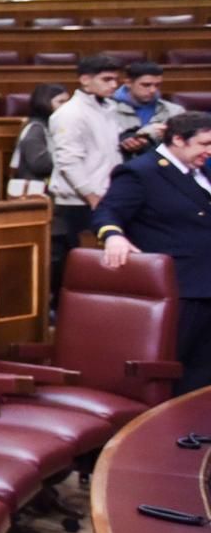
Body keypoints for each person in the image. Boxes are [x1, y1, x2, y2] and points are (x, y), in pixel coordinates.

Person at [91, 111, 211, 394]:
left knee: (205, 368)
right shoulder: (141, 172)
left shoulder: (201, 170)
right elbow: (107, 211)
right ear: (178, 139)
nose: (209, 151)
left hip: (206, 282)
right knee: (176, 364)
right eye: (204, 144)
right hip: (182, 287)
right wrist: (113, 236)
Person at [49, 54, 126, 306]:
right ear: (85, 80)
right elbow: (68, 161)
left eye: (115, 79)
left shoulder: (109, 109)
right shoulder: (70, 114)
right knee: (80, 266)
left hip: (105, 195)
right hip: (79, 202)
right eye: (107, 79)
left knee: (105, 266)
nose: (114, 85)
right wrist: (91, 196)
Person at [110, 60, 184, 158]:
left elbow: (182, 146)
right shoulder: (107, 109)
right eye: (146, 85)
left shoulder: (174, 111)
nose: (153, 90)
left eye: (157, 85)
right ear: (128, 83)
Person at [7, 83, 68, 197]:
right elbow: (40, 164)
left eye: (67, 102)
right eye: (61, 102)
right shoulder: (36, 129)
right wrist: (70, 155)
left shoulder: (56, 125)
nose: (66, 107)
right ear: (44, 103)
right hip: (38, 192)